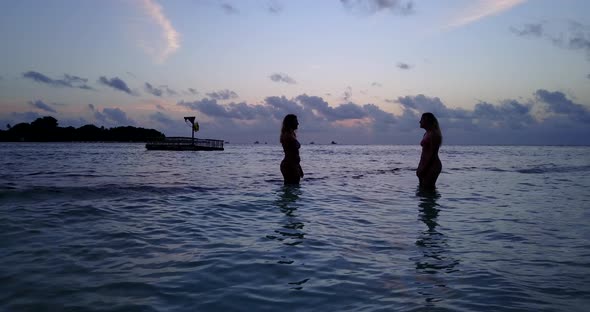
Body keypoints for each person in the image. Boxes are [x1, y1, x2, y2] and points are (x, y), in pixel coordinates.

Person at [416, 112, 442, 189]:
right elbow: (424, 153)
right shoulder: (426, 133)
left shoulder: (434, 134)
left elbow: (432, 154)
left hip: (432, 165)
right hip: (425, 164)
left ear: (427, 121)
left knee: (428, 191)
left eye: (421, 119)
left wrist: (424, 168)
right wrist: (420, 167)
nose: (419, 121)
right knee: (423, 192)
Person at [280, 114, 304, 184]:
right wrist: (295, 168)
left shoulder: (291, 135)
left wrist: (299, 167)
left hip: (292, 165)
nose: (298, 123)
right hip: (290, 166)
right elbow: (291, 155)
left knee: (292, 190)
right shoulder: (287, 136)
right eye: (296, 121)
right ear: (291, 123)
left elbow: (294, 154)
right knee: (292, 188)